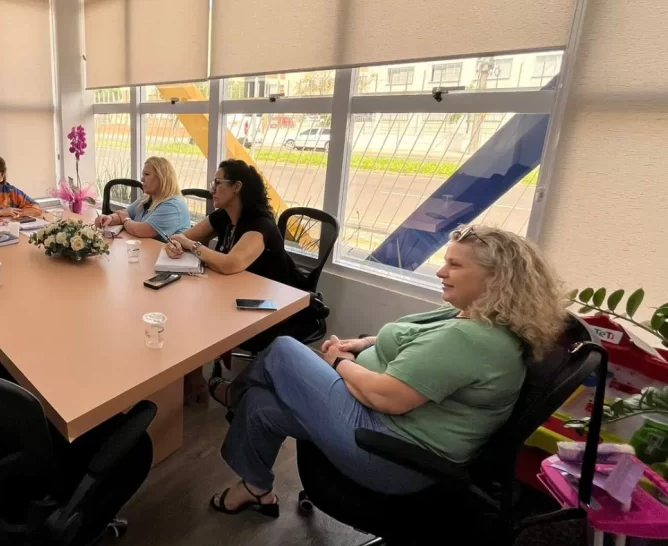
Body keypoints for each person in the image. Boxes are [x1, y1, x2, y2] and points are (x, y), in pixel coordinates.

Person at [205, 224, 566, 517]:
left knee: (283, 351)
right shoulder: (472, 312)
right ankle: (255, 487)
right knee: (262, 403)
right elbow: (413, 336)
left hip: (390, 452)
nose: (441, 272)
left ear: (495, 279)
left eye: (455, 266)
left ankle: (231, 394)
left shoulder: (473, 338)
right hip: (376, 421)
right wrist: (360, 344)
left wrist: (340, 362)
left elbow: (385, 397)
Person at [163, 159, 296, 285]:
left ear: (237, 187)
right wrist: (173, 246)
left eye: (218, 183)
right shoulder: (223, 215)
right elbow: (179, 239)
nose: (212, 190)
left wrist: (190, 245)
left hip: (275, 296)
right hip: (235, 287)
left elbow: (230, 264)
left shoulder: (260, 225)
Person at [94, 157, 191, 242]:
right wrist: (110, 218)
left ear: (162, 178)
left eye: (147, 174)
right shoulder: (147, 197)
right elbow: (125, 213)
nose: (142, 179)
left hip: (164, 255)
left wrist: (125, 219)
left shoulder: (173, 206)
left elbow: (141, 230)